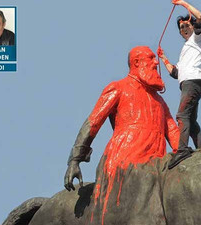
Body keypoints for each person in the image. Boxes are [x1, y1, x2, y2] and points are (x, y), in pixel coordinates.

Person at [64, 46, 180, 217]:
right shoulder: (119, 87)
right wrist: (75, 160)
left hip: (156, 163)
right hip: (125, 160)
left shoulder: (160, 101)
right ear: (136, 63)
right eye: (151, 58)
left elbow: (173, 131)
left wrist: (185, 158)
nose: (156, 62)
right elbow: (93, 122)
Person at [157, 0, 201, 169]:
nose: (184, 29)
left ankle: (182, 150)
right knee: (191, 121)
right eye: (181, 28)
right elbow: (175, 72)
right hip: (189, 82)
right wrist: (163, 58)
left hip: (192, 82)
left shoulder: (197, 38)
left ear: (192, 26)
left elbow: (199, 16)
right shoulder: (187, 48)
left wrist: (183, 3)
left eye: (186, 25)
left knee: (182, 116)